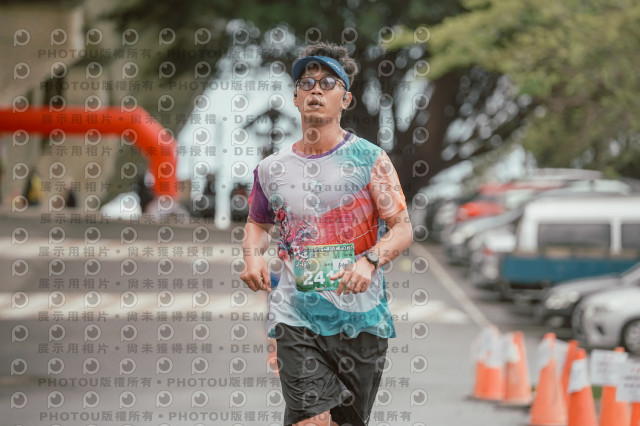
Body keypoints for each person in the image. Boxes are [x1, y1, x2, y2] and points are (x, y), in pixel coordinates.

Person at [240, 42, 413, 426]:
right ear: (296, 97)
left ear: (346, 99)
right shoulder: (271, 169)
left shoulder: (371, 160)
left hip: (361, 321)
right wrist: (252, 255)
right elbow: (257, 223)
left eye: (328, 83)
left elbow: (402, 229)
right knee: (313, 420)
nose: (316, 90)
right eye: (307, 83)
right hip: (295, 317)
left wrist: (370, 261)